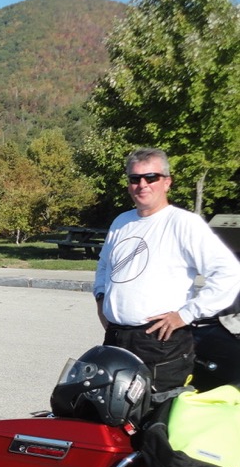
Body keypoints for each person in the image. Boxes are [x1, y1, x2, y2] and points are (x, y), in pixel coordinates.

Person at [93, 148, 240, 393]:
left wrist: (186, 314)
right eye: (135, 178)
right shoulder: (121, 222)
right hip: (117, 339)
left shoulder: (183, 223)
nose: (142, 184)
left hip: (160, 342)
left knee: (155, 421)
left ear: (167, 182)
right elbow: (105, 265)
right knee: (113, 416)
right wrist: (100, 298)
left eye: (151, 177)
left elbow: (229, 272)